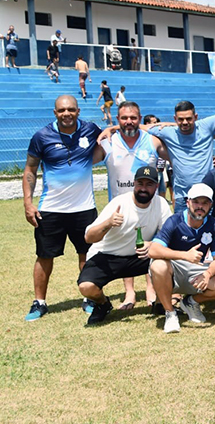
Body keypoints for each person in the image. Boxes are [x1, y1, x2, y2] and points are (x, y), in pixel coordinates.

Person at [22, 95, 103, 321]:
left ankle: (90, 297)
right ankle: (39, 302)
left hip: (84, 208)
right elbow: (30, 170)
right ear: (55, 112)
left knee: (86, 254)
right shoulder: (41, 136)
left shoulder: (90, 129)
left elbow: (110, 135)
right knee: (44, 256)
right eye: (61, 110)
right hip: (51, 209)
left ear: (78, 111)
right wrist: (28, 203)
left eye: (70, 110)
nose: (66, 114)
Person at [96, 101, 169, 310]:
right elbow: (84, 161)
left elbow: (175, 155)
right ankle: (129, 292)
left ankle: (151, 288)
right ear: (117, 120)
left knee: (151, 244)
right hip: (120, 208)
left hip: (148, 206)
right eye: (124, 118)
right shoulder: (108, 142)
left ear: (140, 118)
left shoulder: (153, 141)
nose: (129, 121)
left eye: (133, 117)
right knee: (124, 247)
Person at [77, 166, 172, 324]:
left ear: (156, 186)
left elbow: (170, 237)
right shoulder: (119, 203)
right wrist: (108, 223)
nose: (143, 188)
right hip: (108, 256)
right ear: (133, 183)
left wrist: (153, 244)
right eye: (140, 183)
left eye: (149, 184)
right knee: (86, 287)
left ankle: (161, 304)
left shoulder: (160, 204)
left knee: (166, 262)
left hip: (139, 256)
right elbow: (89, 237)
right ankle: (103, 305)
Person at [148, 183, 215, 333]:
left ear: (210, 205)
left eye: (205, 203)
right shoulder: (174, 221)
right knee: (157, 266)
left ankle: (190, 302)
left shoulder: (214, 224)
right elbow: (153, 250)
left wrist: (207, 274)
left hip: (197, 271)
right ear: (188, 202)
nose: (200, 206)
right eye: (196, 202)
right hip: (173, 270)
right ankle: (170, 313)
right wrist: (184, 255)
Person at [151, 100, 215, 213]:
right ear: (175, 118)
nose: (185, 122)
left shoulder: (206, 125)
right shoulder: (167, 132)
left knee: (209, 230)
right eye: (180, 119)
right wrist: (121, 126)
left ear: (195, 117)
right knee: (182, 230)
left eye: (189, 118)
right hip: (182, 198)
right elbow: (140, 128)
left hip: (206, 195)